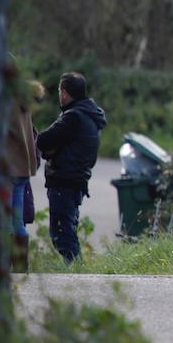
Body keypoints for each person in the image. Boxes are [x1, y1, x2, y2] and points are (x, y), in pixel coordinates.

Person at [36, 72, 106, 262]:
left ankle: (77, 272)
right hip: (76, 180)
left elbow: (42, 140)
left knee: (62, 236)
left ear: (65, 93)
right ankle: (77, 270)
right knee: (66, 230)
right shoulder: (89, 114)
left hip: (64, 181)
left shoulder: (73, 117)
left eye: (60, 90)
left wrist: (37, 136)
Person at [4, 82, 39, 273]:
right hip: (22, 168)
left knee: (4, 221)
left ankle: (1, 268)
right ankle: (19, 268)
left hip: (7, 167)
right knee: (17, 222)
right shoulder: (23, 100)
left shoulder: (3, 100)